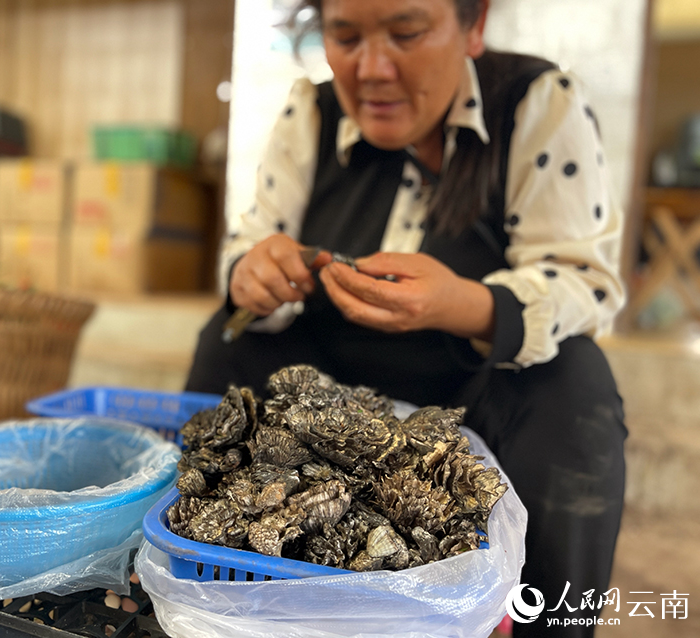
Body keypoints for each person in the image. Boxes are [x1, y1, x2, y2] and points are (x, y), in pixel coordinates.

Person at [186, 0, 627, 635]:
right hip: (328, 395)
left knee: (575, 383)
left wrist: (460, 304)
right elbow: (251, 242)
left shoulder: (537, 102)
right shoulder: (310, 113)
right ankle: (202, 588)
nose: (371, 68)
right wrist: (251, 274)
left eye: (406, 32)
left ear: (473, 27)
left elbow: (581, 278)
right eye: (344, 35)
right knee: (225, 341)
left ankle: (547, 622)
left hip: (473, 389)